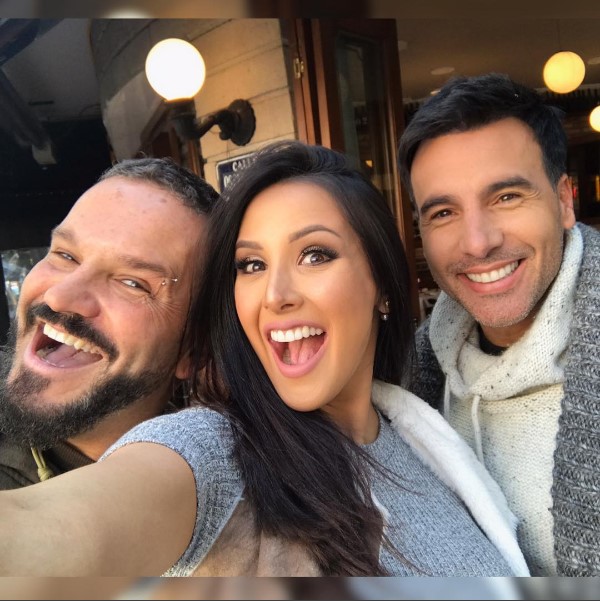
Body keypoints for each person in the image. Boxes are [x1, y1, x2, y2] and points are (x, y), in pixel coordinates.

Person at [0, 141, 529, 577]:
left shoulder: (421, 431)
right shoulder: (215, 451)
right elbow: (59, 529)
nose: (275, 294)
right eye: (251, 265)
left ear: (383, 287)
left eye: (315, 255)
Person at [397, 73, 600, 576]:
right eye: (444, 212)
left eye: (506, 197)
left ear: (564, 201)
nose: (478, 242)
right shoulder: (411, 384)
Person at [0, 157, 218, 489]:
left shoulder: (236, 481)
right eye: (65, 255)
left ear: (195, 350)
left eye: (133, 283)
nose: (58, 297)